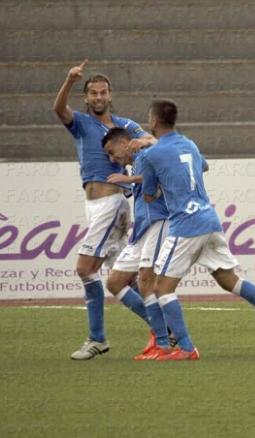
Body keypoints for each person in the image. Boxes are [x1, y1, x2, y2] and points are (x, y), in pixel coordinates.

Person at [140, 99, 255, 361]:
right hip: (209, 220)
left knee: (162, 288)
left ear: (154, 121)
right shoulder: (189, 144)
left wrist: (160, 182)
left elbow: (148, 196)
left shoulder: (150, 155)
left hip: (185, 225)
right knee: (229, 279)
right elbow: (203, 165)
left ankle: (187, 348)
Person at [53, 59, 156, 360]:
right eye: (93, 93)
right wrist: (69, 80)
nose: (99, 97)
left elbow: (151, 139)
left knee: (86, 269)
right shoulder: (83, 124)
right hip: (97, 206)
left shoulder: (125, 126)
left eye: (103, 93)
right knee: (126, 277)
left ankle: (98, 337)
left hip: (111, 204)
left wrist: (136, 144)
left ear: (111, 96)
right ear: (86, 98)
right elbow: (59, 110)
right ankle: (166, 328)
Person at [102, 127, 173, 360]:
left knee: (146, 280)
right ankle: (163, 328)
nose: (113, 160)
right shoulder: (137, 162)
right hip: (141, 230)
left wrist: (130, 178)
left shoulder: (146, 155)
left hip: (158, 222)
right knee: (114, 282)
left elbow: (166, 168)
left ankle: (161, 340)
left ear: (125, 143)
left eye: (113, 153)